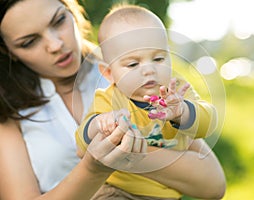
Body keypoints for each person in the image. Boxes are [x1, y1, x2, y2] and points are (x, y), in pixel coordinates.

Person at [0, 0, 226, 199]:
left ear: (72, 11)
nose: (56, 45)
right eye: (29, 42)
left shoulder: (131, 74)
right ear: (7, 50)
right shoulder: (9, 112)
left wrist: (130, 153)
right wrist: (93, 168)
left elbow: (212, 185)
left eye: (59, 20)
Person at [76, 4, 220, 200]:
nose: (149, 69)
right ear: (109, 73)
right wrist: (100, 124)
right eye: (133, 64)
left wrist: (183, 112)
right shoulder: (109, 99)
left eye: (159, 58)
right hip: (118, 191)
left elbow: (207, 123)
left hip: (166, 194)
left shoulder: (176, 94)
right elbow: (82, 144)